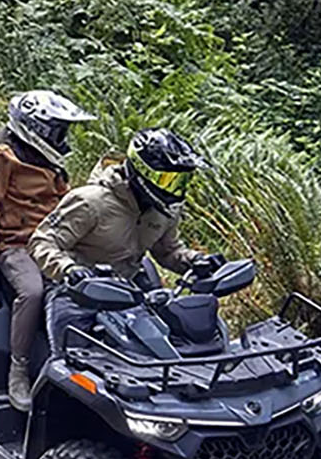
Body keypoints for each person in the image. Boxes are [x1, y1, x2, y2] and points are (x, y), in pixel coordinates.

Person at [30, 127, 225, 361]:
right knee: (71, 357)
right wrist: (68, 270)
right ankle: (32, 383)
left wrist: (196, 261)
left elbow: (169, 251)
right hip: (76, 292)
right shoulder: (91, 202)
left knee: (181, 343)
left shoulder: (164, 211)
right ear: (142, 172)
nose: (174, 188)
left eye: (179, 180)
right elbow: (43, 240)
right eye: (167, 179)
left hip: (131, 289)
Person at [0, 90, 95, 409]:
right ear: (35, 128)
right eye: (57, 131)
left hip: (51, 242)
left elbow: (64, 204)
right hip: (15, 245)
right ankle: (19, 370)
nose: (62, 138)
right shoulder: (0, 157)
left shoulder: (48, 161)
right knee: (32, 292)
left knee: (95, 284)